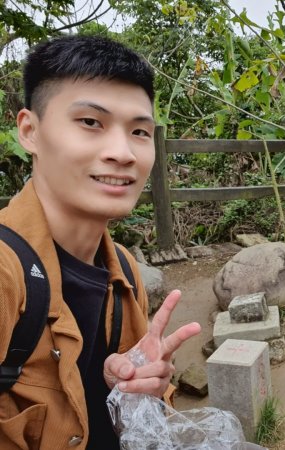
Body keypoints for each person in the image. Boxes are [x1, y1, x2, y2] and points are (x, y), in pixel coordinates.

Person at [0, 35, 201, 449]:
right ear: (29, 131)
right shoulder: (6, 274)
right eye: (91, 122)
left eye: (140, 131)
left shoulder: (125, 270)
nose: (123, 152)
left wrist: (124, 385)